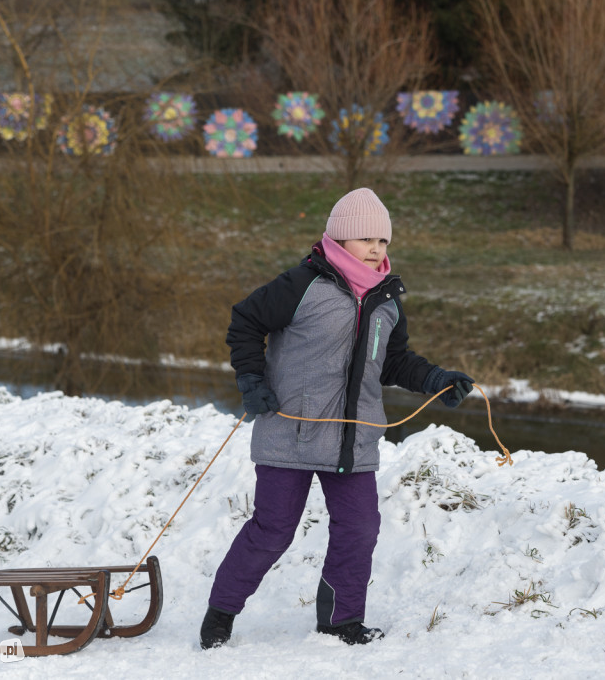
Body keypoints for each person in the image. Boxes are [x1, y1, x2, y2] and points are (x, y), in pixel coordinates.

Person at [199, 187, 474, 649]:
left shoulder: (387, 300)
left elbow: (393, 361)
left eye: (383, 241)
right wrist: (251, 379)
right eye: (365, 239)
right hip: (289, 430)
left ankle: (342, 621)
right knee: (272, 531)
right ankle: (221, 613)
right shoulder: (302, 284)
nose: (376, 249)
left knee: (360, 529)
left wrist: (436, 380)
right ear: (339, 239)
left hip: (354, 438)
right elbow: (246, 320)